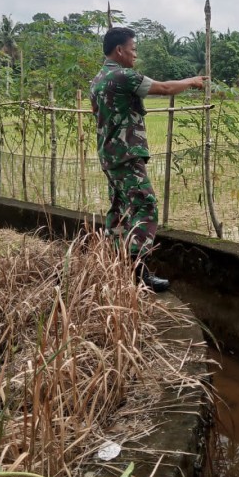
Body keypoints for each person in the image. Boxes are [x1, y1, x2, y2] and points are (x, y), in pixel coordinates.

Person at [90, 27, 206, 292]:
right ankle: (136, 269)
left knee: (119, 209)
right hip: (127, 154)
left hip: (108, 154)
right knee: (146, 206)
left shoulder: (97, 79)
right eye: (133, 49)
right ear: (119, 50)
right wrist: (191, 81)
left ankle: (113, 263)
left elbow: (96, 112)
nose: (135, 55)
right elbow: (164, 88)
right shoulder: (123, 75)